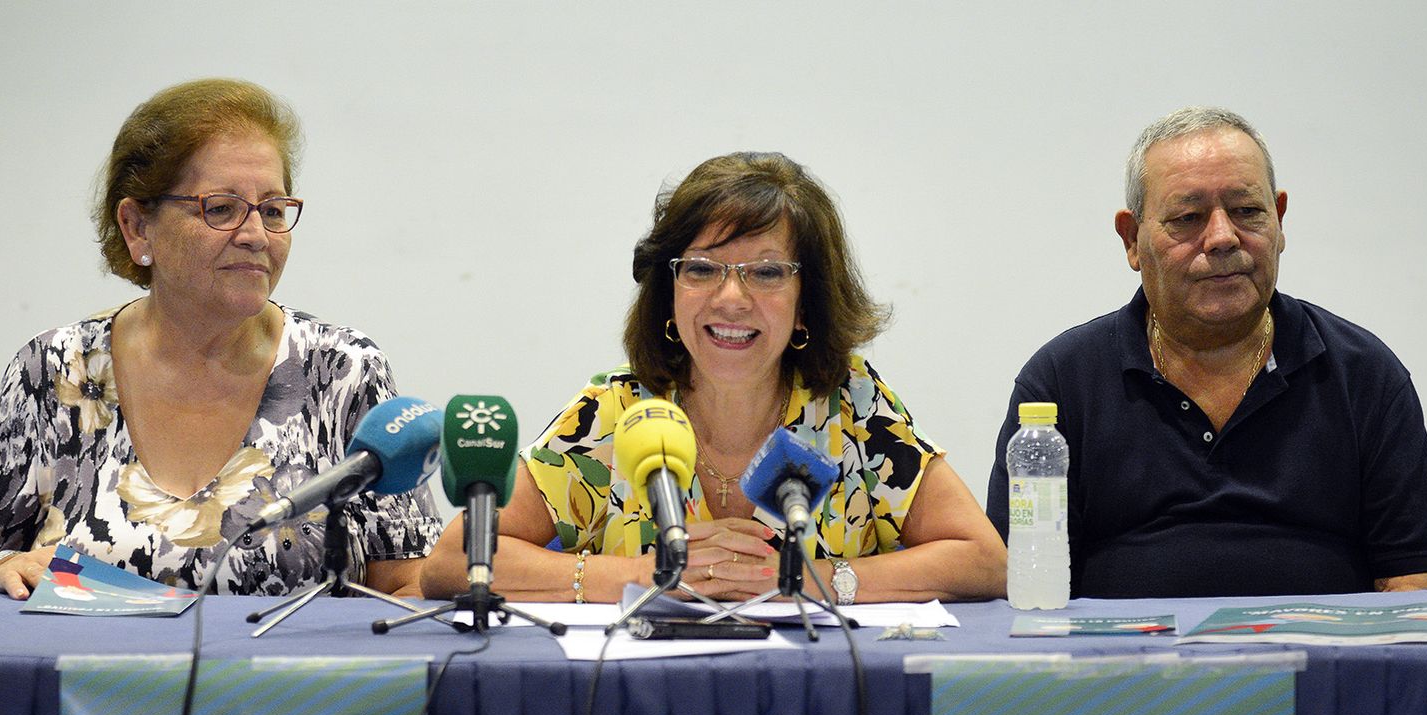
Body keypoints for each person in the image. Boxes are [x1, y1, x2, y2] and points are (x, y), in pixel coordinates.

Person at [419, 151, 1006, 604]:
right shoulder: (616, 409)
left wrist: (812, 578)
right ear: (669, 290)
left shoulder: (850, 406)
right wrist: (653, 575)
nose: (731, 299)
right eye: (701, 269)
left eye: (766, 273)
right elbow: (452, 564)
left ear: (807, 305)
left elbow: (985, 561)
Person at [0, 78, 439, 598]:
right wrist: (0, 573)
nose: (256, 235)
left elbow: (408, 585)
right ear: (137, 227)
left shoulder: (343, 371)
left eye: (273, 210)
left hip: (284, 680)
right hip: (98, 679)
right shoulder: (56, 371)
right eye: (221, 208)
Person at [986, 107, 1427, 598]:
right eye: (1187, 218)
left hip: (1317, 667)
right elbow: (1020, 580)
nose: (1223, 238)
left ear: (1280, 219)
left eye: (1247, 211)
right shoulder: (1063, 382)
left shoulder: (1364, 374)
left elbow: (1415, 583)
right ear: (1132, 240)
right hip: (1122, 670)